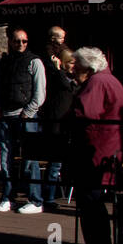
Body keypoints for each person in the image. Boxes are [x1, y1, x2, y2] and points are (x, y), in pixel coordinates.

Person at [68, 47, 123, 244]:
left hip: (95, 151)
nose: (74, 71)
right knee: (95, 204)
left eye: (78, 67)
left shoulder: (97, 83)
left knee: (91, 204)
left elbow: (84, 113)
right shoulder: (110, 80)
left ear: (90, 69)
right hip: (107, 149)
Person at [0, 26, 45, 213]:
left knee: (30, 158)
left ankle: (35, 199)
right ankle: (8, 196)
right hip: (6, 114)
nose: (20, 44)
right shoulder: (4, 62)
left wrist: (29, 112)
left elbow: (40, 92)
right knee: (5, 157)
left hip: (25, 115)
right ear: (10, 41)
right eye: (17, 41)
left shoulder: (34, 62)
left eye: (24, 41)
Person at [40, 45, 76, 209]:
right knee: (54, 164)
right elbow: (65, 86)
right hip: (56, 125)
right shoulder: (57, 77)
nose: (73, 66)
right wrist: (57, 68)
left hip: (65, 125)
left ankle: (51, 195)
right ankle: (48, 198)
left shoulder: (70, 79)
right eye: (70, 62)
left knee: (57, 164)